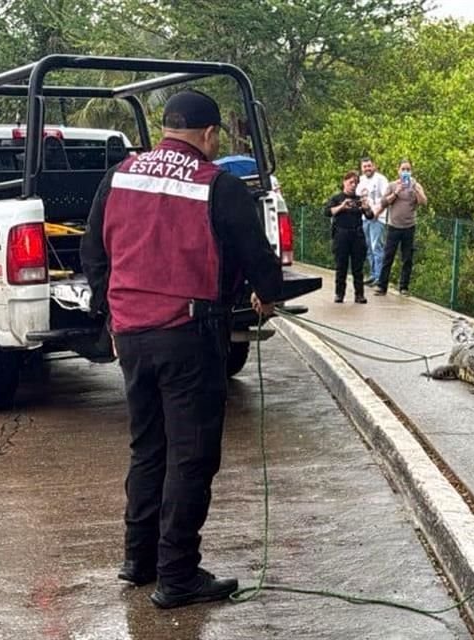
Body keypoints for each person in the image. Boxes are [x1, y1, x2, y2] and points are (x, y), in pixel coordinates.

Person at [80, 89, 283, 609]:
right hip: (188, 338)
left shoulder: (120, 175)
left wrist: (112, 308)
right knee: (191, 458)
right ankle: (178, 576)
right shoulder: (218, 184)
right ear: (210, 135)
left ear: (164, 126)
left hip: (131, 337)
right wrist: (266, 295)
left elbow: (92, 250)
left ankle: (139, 559)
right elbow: (257, 255)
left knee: (148, 448)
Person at [374, 159, 426, 296]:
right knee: (388, 256)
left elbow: (423, 202)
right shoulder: (392, 185)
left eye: (408, 169)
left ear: (411, 171)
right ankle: (381, 285)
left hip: (409, 227)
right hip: (393, 226)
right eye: (403, 169)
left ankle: (404, 287)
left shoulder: (416, 186)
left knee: (407, 258)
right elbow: (384, 202)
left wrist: (416, 190)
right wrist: (396, 192)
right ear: (398, 170)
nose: (405, 172)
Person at [323, 170, 372, 303]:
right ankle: (339, 294)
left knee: (358, 267)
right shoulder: (337, 198)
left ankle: (359, 294)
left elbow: (370, 215)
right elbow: (327, 212)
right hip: (341, 234)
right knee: (341, 266)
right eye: (351, 182)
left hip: (356, 234)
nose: (353, 185)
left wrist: (366, 207)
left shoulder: (359, 199)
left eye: (355, 183)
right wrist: (342, 207)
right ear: (344, 182)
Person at [357, 157, 390, 286]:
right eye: (365, 166)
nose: (367, 169)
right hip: (364, 218)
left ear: (374, 166)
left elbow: (386, 199)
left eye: (369, 166)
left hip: (377, 218)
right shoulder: (361, 180)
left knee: (377, 247)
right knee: (368, 247)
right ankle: (373, 273)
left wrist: (377, 212)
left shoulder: (381, 180)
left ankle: (379, 276)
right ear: (362, 168)